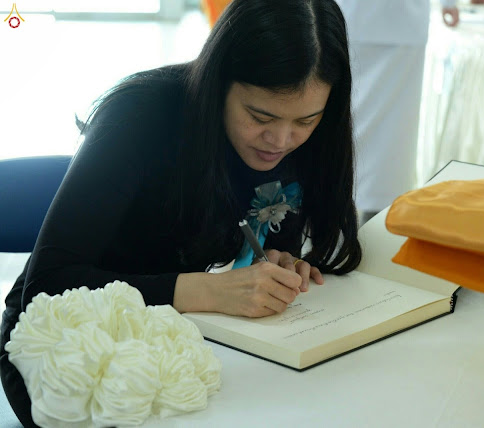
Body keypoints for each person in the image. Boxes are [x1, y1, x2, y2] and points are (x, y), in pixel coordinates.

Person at [0, 0, 362, 426]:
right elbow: (46, 284)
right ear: (219, 82)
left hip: (171, 332)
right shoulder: (140, 114)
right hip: (64, 341)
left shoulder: (310, 137)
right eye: (259, 116)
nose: (281, 140)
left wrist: (275, 265)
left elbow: (263, 239)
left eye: (306, 121)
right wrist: (208, 291)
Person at [334, 0, 459, 224]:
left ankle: (352, 205)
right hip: (398, 20)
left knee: (358, 115)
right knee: (391, 127)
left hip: (364, 18)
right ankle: (368, 209)